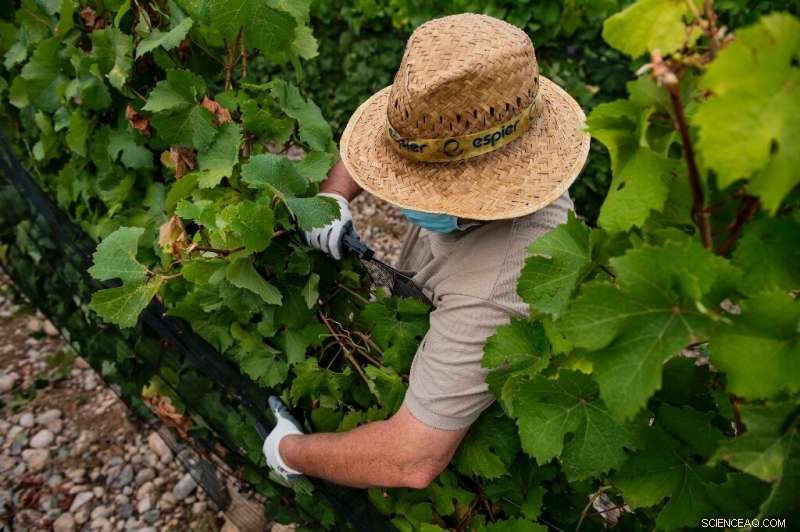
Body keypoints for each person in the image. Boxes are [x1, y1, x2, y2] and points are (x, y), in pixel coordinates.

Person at [262, 13, 590, 489]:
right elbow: (393, 136)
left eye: (425, 188)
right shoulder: (480, 110)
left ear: (487, 191)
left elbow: (409, 459)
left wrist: (288, 451)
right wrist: (333, 197)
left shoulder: (501, 286)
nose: (399, 199)